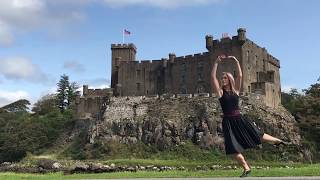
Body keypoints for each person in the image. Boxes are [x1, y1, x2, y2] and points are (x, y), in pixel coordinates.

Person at [211, 54, 288, 178]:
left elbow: (240, 75)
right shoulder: (220, 93)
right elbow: (213, 77)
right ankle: (246, 168)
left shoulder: (235, 91)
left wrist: (236, 60)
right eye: (222, 78)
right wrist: (216, 63)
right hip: (228, 122)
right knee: (232, 148)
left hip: (239, 119)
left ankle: (277, 141)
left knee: (256, 134)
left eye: (224, 78)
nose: (222, 79)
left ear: (229, 79)